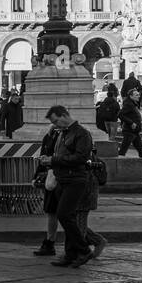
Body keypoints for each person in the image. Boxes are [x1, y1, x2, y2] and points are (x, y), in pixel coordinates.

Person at [45, 106, 94, 269]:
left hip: (76, 179)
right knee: (67, 217)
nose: (56, 125)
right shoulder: (63, 133)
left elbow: (80, 157)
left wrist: (54, 160)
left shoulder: (81, 133)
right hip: (63, 179)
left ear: (64, 115)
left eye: (56, 121)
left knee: (64, 214)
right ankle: (70, 254)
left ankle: (83, 249)